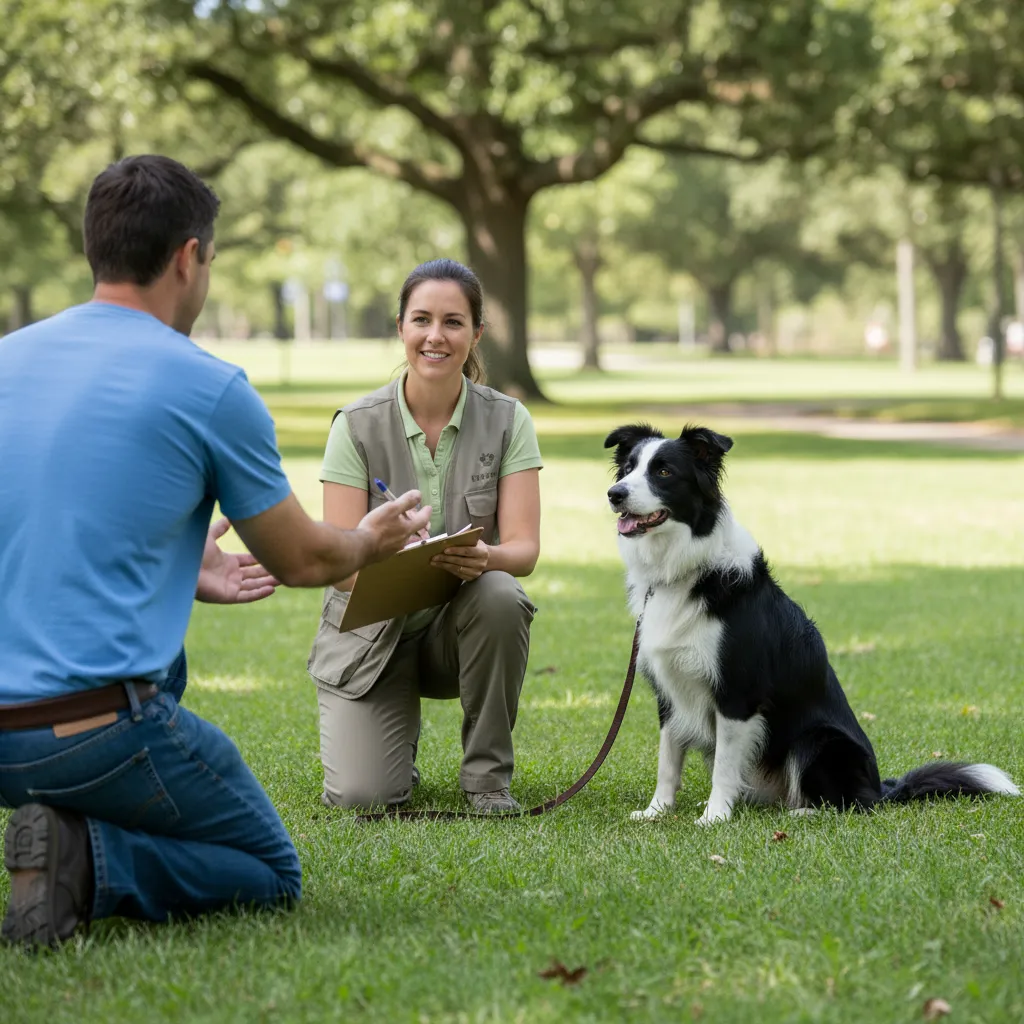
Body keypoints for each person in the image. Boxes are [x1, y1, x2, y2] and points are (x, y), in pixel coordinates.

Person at [0, 155, 431, 950]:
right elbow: (303, 560)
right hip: (89, 730)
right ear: (189, 257)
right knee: (268, 869)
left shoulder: (8, 358)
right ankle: (87, 859)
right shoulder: (207, 385)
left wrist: (172, 558)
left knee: (154, 677)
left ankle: (64, 825)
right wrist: (370, 540)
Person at [308, 259, 543, 814]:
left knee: (501, 593)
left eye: (453, 322)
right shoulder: (355, 425)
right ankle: (391, 748)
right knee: (363, 797)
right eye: (421, 320)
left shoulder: (509, 420)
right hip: (370, 638)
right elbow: (339, 567)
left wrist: (485, 557)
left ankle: (487, 781)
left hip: (458, 634)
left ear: (477, 333)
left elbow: (524, 550)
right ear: (401, 328)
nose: (436, 336)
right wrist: (388, 552)